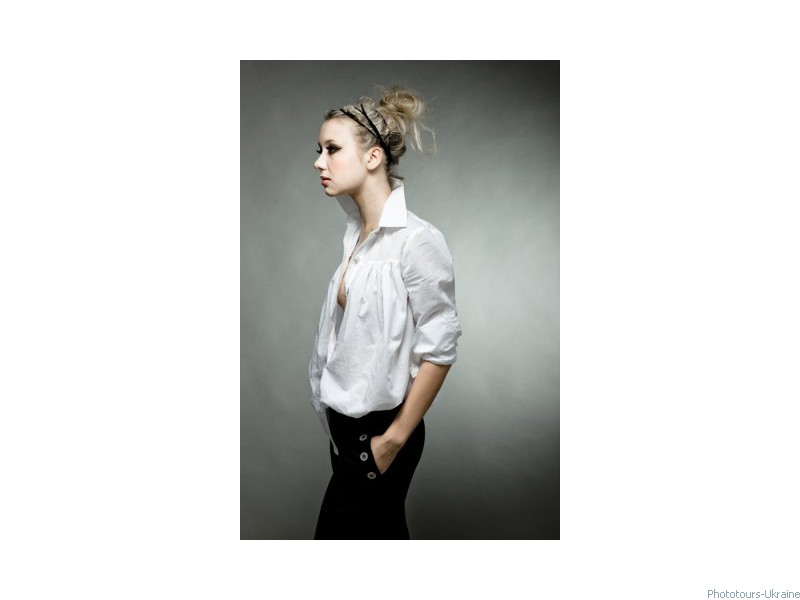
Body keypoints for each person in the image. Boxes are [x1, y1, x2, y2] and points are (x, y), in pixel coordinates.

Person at [308, 84, 463, 540]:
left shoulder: (416, 240)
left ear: (373, 157)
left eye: (332, 149)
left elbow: (440, 347)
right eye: (319, 150)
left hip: (379, 435)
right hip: (345, 435)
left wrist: (392, 441)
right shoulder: (356, 239)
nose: (319, 162)